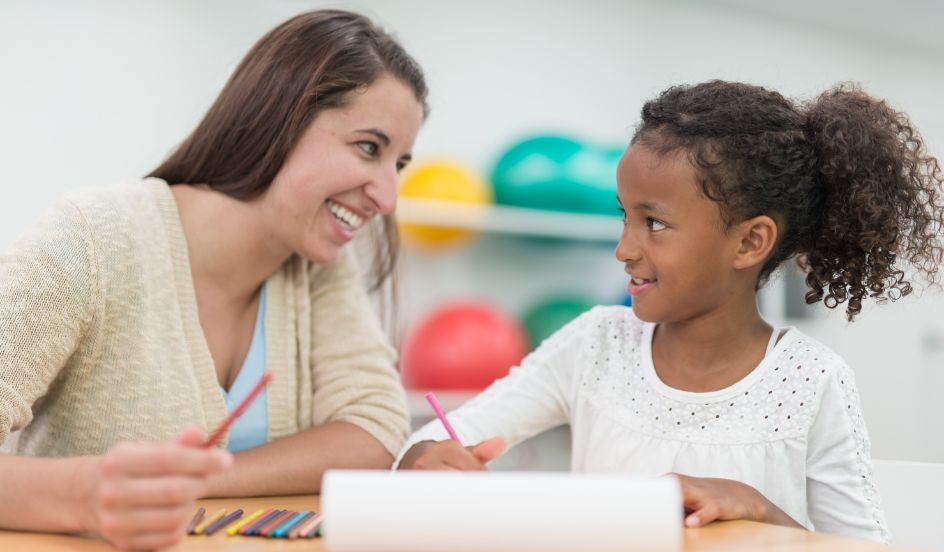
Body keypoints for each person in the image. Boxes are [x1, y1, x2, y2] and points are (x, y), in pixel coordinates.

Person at [397, 80, 944, 543]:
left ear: (750, 242)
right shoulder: (594, 343)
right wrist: (424, 456)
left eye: (653, 223)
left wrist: (757, 510)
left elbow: (857, 550)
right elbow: (441, 439)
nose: (624, 249)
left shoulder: (813, 382)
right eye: (624, 218)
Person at [0, 9, 426, 550]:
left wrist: (193, 481)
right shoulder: (93, 239)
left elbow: (375, 433)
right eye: (370, 148)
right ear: (282, 118)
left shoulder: (317, 267)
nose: (388, 198)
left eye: (399, 164)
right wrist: (87, 493)